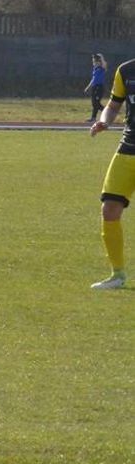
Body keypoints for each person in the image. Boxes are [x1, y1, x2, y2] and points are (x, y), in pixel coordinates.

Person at [87, 58, 135, 290]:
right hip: (127, 149)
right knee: (109, 210)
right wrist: (103, 121)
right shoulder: (125, 70)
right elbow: (114, 104)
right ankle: (118, 275)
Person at [85, 53, 108, 124]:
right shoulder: (95, 69)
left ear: (98, 62)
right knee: (94, 103)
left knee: (96, 103)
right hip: (94, 87)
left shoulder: (102, 68)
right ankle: (93, 118)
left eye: (94, 61)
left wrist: (101, 57)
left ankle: (108, 113)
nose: (93, 62)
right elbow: (93, 79)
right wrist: (88, 87)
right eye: (93, 61)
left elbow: (104, 64)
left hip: (99, 87)